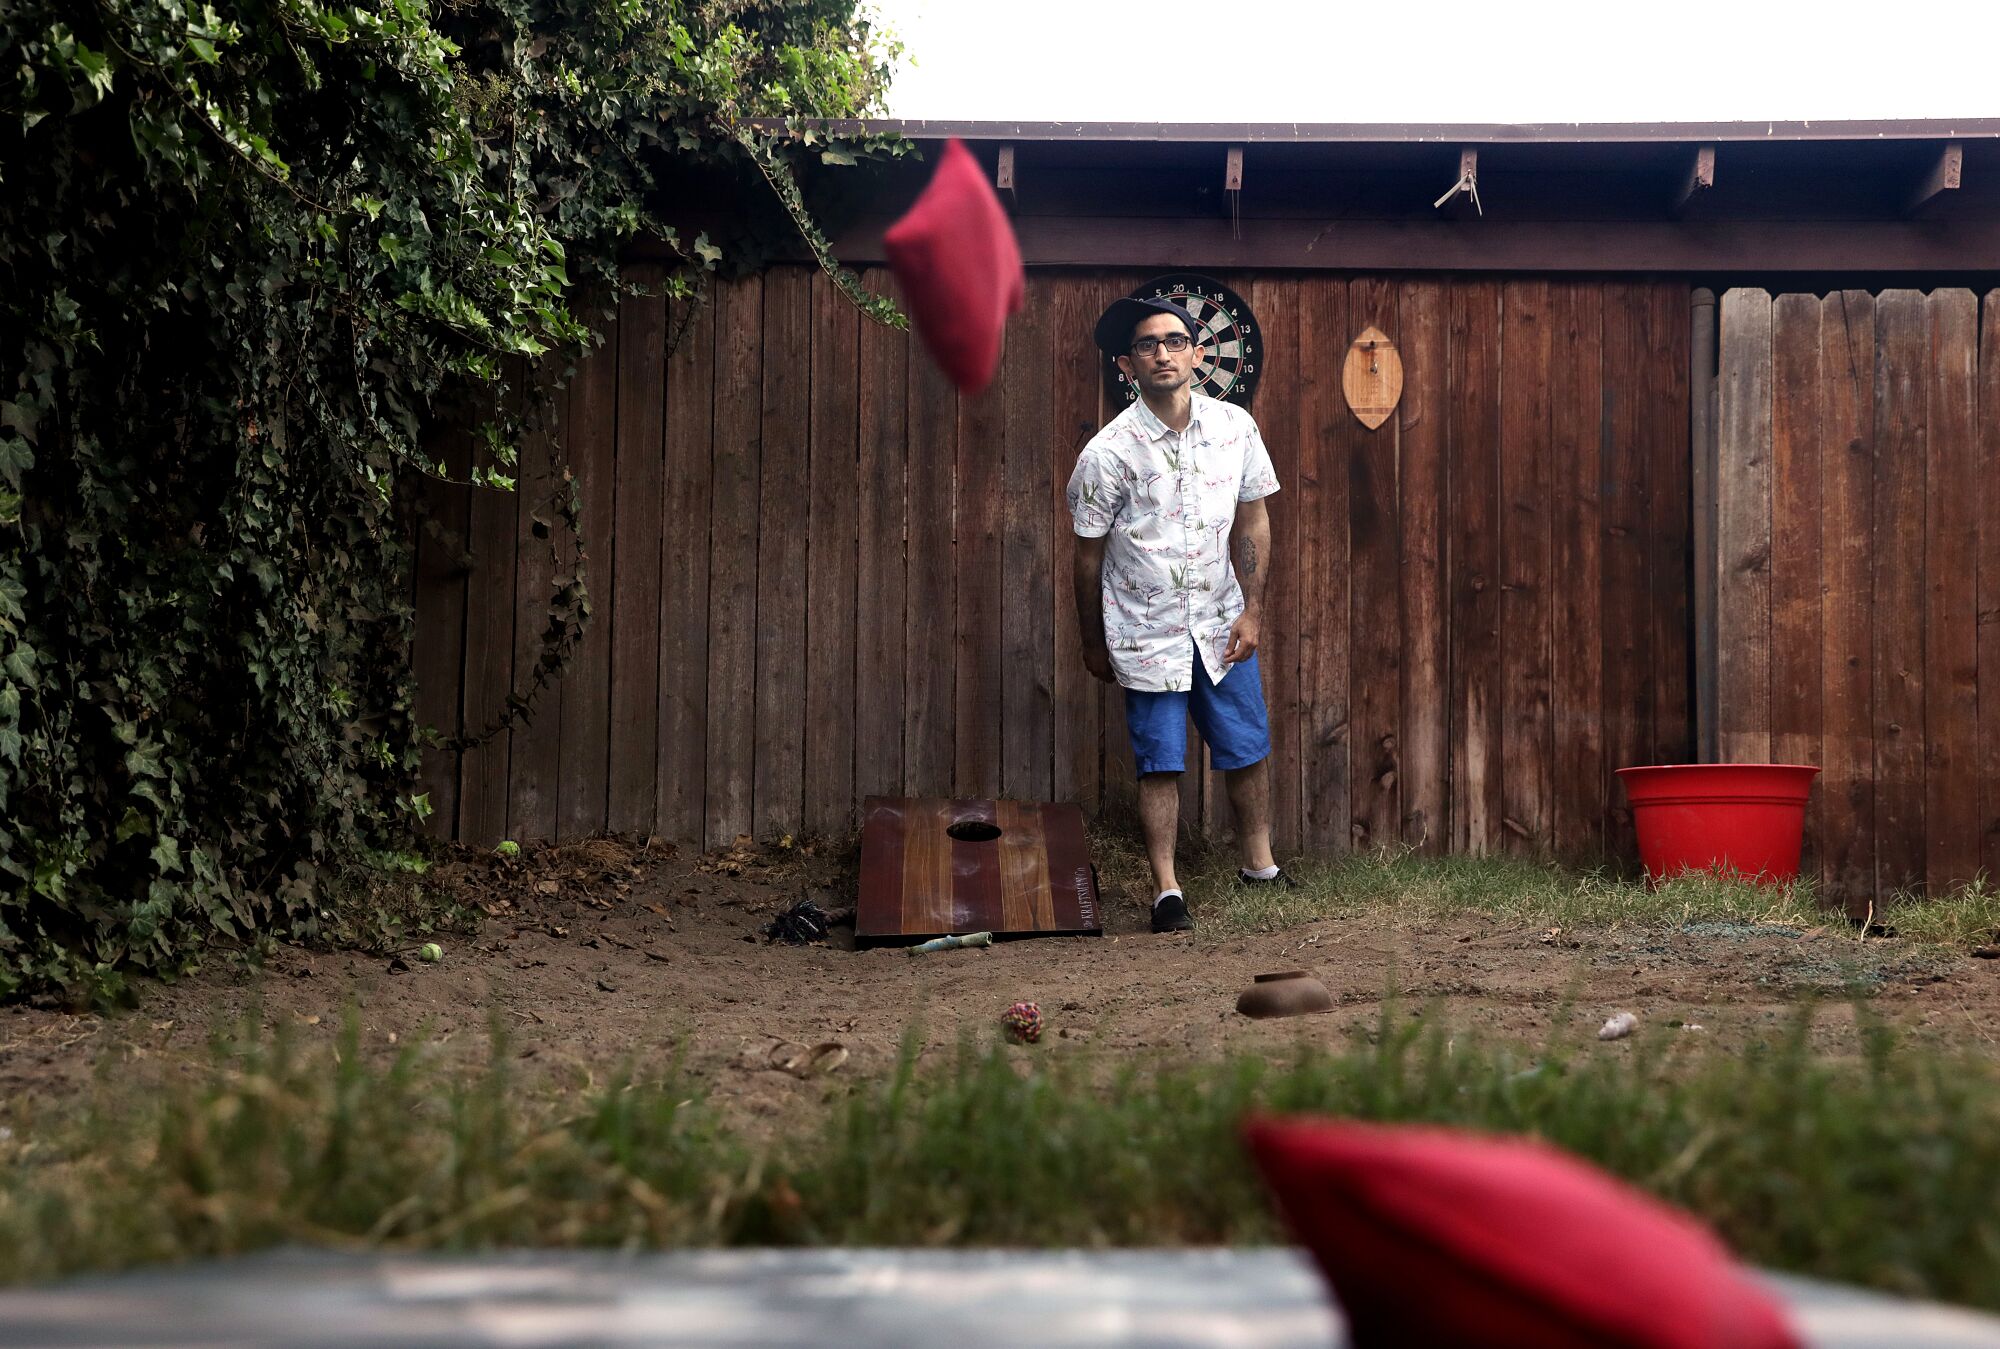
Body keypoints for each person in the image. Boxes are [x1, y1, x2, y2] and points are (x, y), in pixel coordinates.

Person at [1066, 295, 1292, 933]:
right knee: (1159, 759)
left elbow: (1253, 517)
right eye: (1147, 345)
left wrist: (1252, 610)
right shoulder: (1107, 455)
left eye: (1173, 341)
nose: (1162, 353)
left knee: (1246, 745)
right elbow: (1087, 559)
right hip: (1143, 630)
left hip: (1221, 621)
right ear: (1127, 364)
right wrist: (1092, 642)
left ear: (1198, 353)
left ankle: (1260, 866)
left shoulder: (1235, 429)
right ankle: (1167, 889)